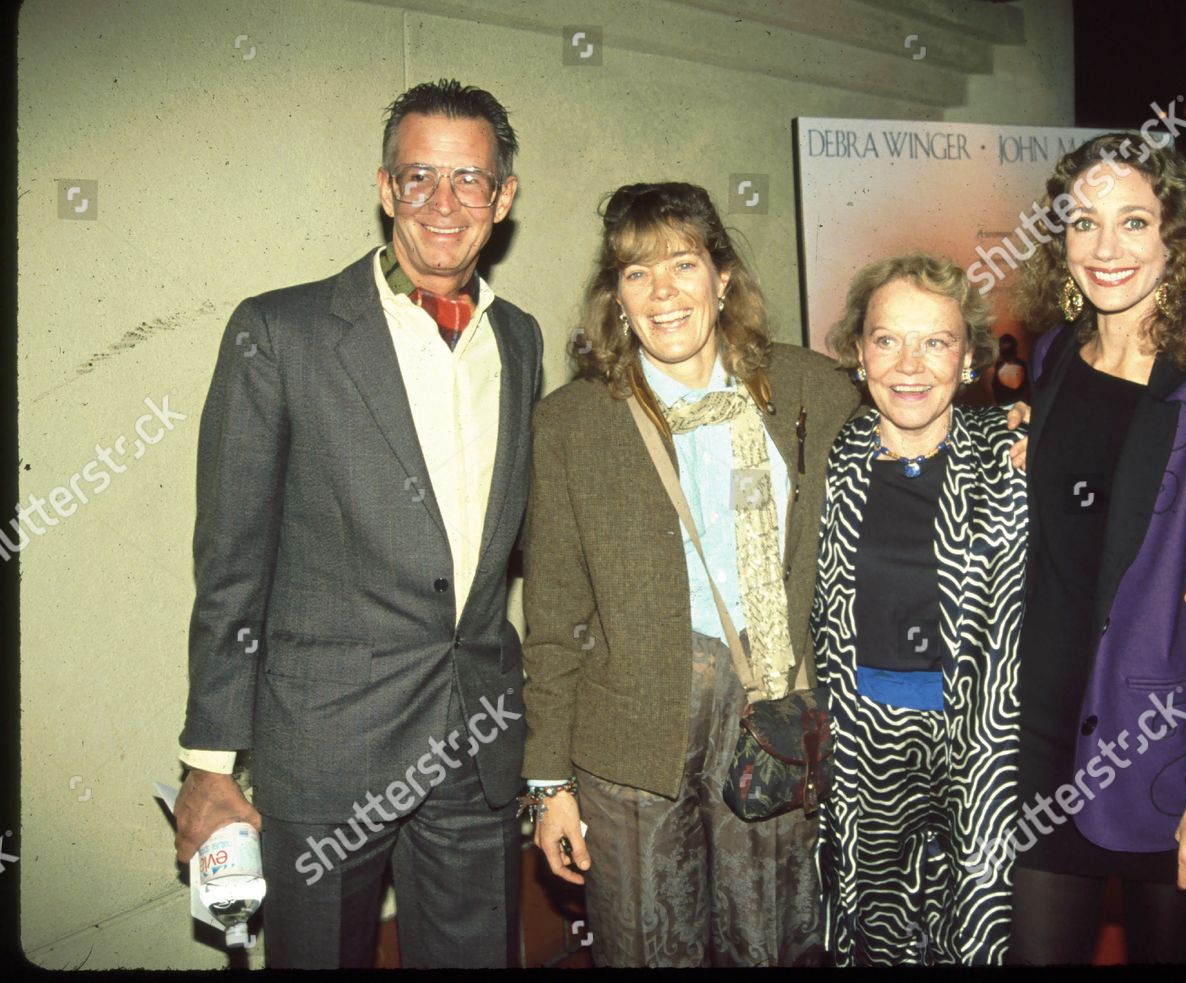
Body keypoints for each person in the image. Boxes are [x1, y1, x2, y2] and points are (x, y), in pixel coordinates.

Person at [174, 80, 541, 968]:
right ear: (385, 188)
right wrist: (211, 759)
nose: (444, 205)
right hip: (326, 745)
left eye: (469, 180)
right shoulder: (281, 330)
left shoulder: (522, 340)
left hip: (476, 740)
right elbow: (232, 556)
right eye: (420, 179)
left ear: (504, 197)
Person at [520, 182, 861, 967]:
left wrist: (1007, 434)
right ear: (616, 296)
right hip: (633, 727)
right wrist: (548, 783)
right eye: (637, 273)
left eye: (682, 263)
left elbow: (912, 445)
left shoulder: (811, 387)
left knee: (773, 937)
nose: (663, 291)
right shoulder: (572, 423)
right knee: (646, 946)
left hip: (772, 706)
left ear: (723, 277)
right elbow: (552, 618)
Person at [1002, 131, 1186, 963]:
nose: (1106, 248)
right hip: (1044, 739)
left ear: (1180, 239)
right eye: (1083, 222)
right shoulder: (1053, 359)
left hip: (1162, 747)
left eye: (1134, 222)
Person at [812, 253, 1026, 965]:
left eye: (935, 341)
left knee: (978, 935)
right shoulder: (821, 460)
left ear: (968, 357)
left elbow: (1126, 528)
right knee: (876, 942)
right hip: (861, 742)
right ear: (857, 350)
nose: (909, 364)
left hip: (984, 747)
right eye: (886, 339)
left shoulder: (1017, 453)